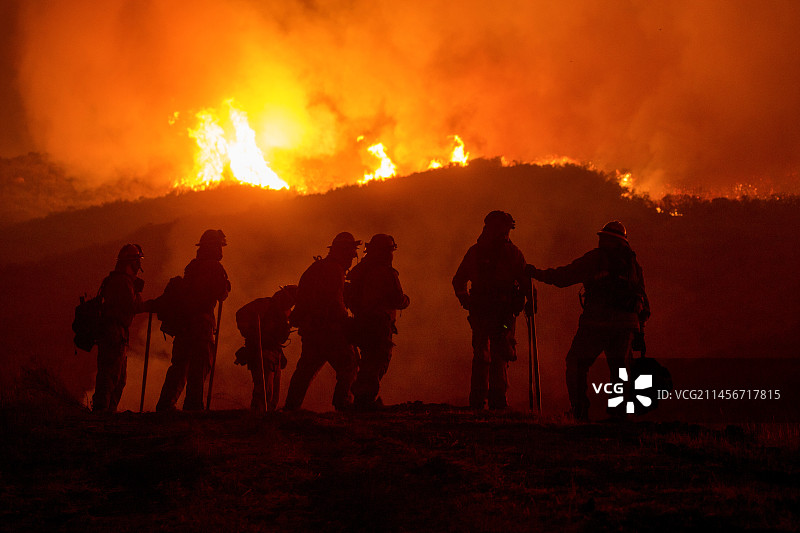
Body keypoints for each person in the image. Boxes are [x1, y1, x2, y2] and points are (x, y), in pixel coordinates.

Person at [527, 221, 650, 422]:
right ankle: (618, 416)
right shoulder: (633, 265)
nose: (600, 240)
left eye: (603, 237)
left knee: (576, 363)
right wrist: (639, 330)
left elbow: (563, 277)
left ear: (609, 239)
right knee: (620, 371)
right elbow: (643, 299)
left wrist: (536, 273)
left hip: (596, 323)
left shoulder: (595, 259)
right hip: (626, 325)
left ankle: (579, 412)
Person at [453, 211, 532, 410]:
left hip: (481, 313)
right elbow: (526, 282)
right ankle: (498, 401)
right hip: (502, 314)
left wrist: (466, 300)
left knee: (482, 353)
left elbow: (458, 280)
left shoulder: (475, 252)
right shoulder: (512, 253)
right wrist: (529, 302)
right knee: (500, 354)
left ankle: (478, 401)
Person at [284, 232, 361, 411]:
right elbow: (335, 303)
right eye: (351, 253)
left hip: (312, 331)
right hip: (331, 331)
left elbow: (303, 300)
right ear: (343, 252)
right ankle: (343, 405)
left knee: (305, 370)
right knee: (349, 366)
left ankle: (291, 408)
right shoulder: (334, 270)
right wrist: (347, 323)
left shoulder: (315, 268)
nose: (352, 258)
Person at [156, 230, 231, 411]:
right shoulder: (214, 267)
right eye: (219, 246)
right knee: (199, 366)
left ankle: (166, 405)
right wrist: (226, 286)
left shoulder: (192, 267)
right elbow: (221, 293)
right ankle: (193, 407)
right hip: (201, 326)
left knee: (179, 366)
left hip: (184, 326)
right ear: (213, 247)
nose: (221, 250)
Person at [346, 234, 410, 410]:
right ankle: (364, 401)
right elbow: (397, 299)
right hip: (379, 325)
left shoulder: (360, 271)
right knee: (377, 361)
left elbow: (349, 296)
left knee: (368, 361)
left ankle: (361, 399)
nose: (391, 254)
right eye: (390, 250)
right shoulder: (385, 272)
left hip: (361, 322)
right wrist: (407, 300)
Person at [92, 244, 150, 412]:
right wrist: (147, 300)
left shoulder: (116, 280)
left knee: (118, 378)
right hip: (114, 333)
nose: (139, 265)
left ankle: (107, 412)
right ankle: (102, 413)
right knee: (110, 376)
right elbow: (133, 306)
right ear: (131, 262)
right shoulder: (123, 282)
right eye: (137, 261)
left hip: (116, 332)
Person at [234, 285, 298, 412]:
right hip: (262, 351)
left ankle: (267, 418)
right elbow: (241, 314)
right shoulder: (265, 304)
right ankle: (257, 416)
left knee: (273, 397)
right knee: (263, 393)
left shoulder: (285, 312)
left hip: (275, 353)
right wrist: (251, 334)